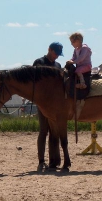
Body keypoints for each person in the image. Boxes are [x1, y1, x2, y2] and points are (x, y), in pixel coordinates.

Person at [32, 42, 63, 171]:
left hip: (55, 104)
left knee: (54, 132)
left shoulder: (58, 65)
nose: (56, 56)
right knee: (43, 131)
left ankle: (54, 161)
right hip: (43, 103)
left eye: (58, 54)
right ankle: (41, 161)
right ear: (49, 50)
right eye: (55, 53)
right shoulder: (39, 62)